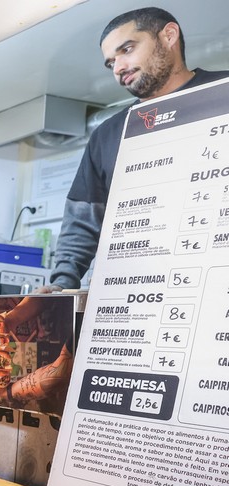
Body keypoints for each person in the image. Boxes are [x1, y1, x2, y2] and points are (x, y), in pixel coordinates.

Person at [47, 7, 229, 291]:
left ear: (169, 35)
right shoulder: (107, 135)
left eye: (127, 49)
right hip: (136, 296)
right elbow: (82, 222)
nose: (118, 68)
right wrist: (61, 283)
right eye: (111, 63)